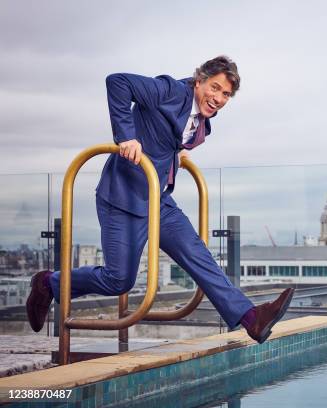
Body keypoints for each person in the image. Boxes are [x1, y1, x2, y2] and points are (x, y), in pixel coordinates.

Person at [26, 56, 294, 343]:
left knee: (197, 253)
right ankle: (47, 284)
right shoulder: (170, 91)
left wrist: (175, 153)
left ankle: (251, 319)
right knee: (119, 280)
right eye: (214, 88)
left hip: (157, 199)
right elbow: (117, 82)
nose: (218, 98)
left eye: (226, 94)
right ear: (198, 80)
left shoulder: (202, 119)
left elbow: (166, 133)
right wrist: (126, 137)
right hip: (123, 198)